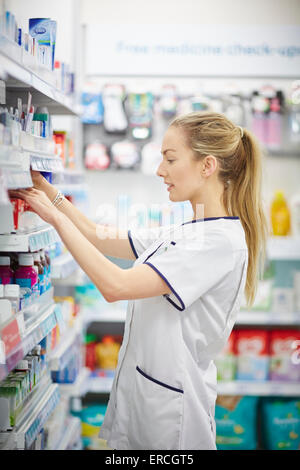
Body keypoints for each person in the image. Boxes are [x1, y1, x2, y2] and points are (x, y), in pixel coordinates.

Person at [11, 111, 267, 450]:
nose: (160, 170)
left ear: (207, 166)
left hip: (170, 421)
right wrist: (48, 191)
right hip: (147, 400)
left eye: (170, 159)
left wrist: (55, 218)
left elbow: (116, 286)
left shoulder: (216, 242)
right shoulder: (192, 229)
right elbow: (97, 235)